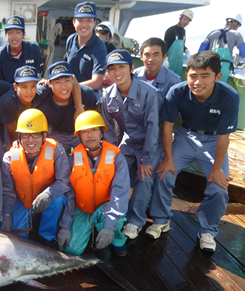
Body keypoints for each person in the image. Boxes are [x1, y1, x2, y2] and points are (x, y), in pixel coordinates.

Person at [149, 51, 239, 252]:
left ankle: (206, 230)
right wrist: (169, 158)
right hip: (186, 136)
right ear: (186, 75)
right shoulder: (177, 91)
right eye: (193, 76)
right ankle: (161, 219)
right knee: (164, 173)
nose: (198, 82)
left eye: (205, 76)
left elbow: (224, 137)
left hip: (215, 139)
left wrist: (217, 170)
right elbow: (167, 127)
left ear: (217, 76)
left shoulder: (229, 97)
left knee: (218, 188)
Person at [99, 50, 164, 241]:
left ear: (132, 68)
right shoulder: (108, 95)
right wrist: (111, 155)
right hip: (128, 141)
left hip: (152, 143)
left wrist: (145, 159)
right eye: (112, 68)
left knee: (144, 176)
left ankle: (136, 220)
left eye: (121, 67)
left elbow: (153, 128)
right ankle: (110, 211)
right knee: (112, 170)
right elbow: (108, 128)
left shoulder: (150, 94)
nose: (117, 72)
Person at [0, 109, 73, 250]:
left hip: (50, 199)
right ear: (19, 136)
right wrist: (7, 214)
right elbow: (8, 192)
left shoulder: (56, 150)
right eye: (26, 135)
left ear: (44, 135)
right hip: (23, 200)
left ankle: (46, 237)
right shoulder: (9, 157)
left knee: (58, 201)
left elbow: (64, 181)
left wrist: (49, 193)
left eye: (36, 134)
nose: (31, 140)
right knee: (17, 239)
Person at [63, 110, 129, 256]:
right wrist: (65, 226)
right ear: (79, 135)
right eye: (84, 131)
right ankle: (89, 226)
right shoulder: (72, 159)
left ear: (101, 133)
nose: (89, 135)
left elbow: (120, 192)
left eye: (94, 130)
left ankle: (116, 238)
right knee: (71, 249)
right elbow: (69, 194)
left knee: (116, 221)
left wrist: (109, 226)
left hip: (107, 207)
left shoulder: (117, 158)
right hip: (82, 208)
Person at [37, 61, 100, 150]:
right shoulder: (43, 98)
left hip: (82, 131)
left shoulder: (85, 93)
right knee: (48, 155)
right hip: (57, 133)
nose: (63, 87)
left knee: (89, 155)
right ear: (50, 84)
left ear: (72, 81)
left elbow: (97, 114)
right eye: (58, 82)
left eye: (67, 81)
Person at [0, 66, 47, 149]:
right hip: (15, 127)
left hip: (37, 125)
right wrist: (13, 142)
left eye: (33, 86)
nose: (29, 91)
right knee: (13, 149)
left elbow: (66, 82)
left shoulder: (41, 92)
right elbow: (11, 125)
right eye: (24, 87)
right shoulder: (6, 102)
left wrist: (48, 82)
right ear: (15, 87)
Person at [66, 1, 106, 94]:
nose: (84, 24)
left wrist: (71, 87)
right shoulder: (70, 40)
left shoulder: (99, 47)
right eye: (80, 20)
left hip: (89, 95)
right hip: (70, 92)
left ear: (94, 23)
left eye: (89, 20)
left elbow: (96, 82)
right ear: (74, 22)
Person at [0, 15, 44, 83]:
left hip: (30, 90)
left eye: (18, 32)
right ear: (5, 34)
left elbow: (38, 74)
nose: (14, 37)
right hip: (8, 91)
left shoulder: (34, 49)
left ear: (24, 34)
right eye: (10, 33)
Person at [198, 13, 245, 83]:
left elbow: (201, 52)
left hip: (209, 65)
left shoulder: (213, 33)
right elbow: (243, 52)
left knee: (209, 86)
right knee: (221, 87)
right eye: (238, 26)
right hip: (224, 67)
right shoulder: (236, 34)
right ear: (235, 23)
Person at [164, 9, 193, 77]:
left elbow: (182, 45)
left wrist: (186, 50)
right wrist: (165, 60)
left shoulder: (183, 31)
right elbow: (165, 46)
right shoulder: (171, 30)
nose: (186, 22)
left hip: (178, 63)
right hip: (169, 62)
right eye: (184, 19)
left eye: (188, 21)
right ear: (180, 18)